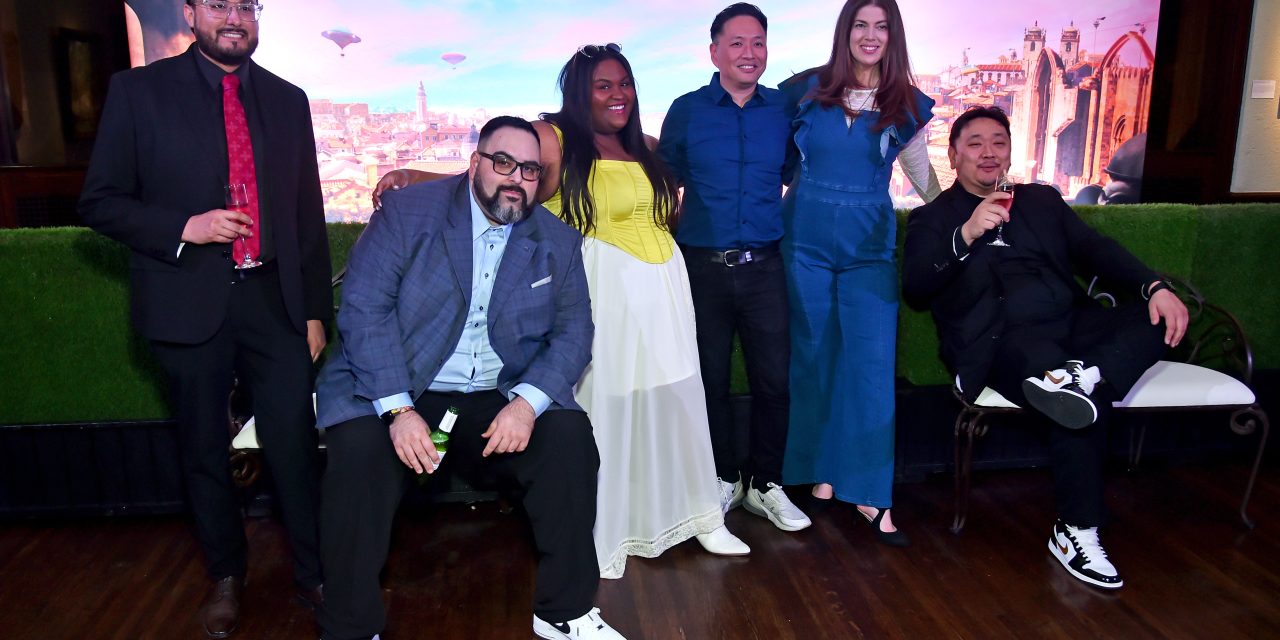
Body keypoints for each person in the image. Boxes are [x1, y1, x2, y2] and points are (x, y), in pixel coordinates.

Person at [374, 47, 750, 579]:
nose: (618, 95)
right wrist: (414, 176)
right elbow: (490, 174)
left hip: (665, 288)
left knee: (676, 397)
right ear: (579, 92)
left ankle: (699, 515)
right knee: (608, 407)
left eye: (625, 83)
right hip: (603, 288)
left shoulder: (644, 145)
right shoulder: (553, 138)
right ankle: (605, 527)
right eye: (603, 85)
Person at [314, 117, 624, 640]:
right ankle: (351, 626)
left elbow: (575, 333)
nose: (516, 178)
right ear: (476, 162)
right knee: (359, 453)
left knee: (568, 439)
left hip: (496, 394)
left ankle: (565, 612)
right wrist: (398, 410)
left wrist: (526, 405)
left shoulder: (557, 241)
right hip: (403, 383)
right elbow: (365, 311)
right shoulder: (408, 215)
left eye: (529, 169)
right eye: (503, 162)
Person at [78, 1, 330, 636]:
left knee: (296, 444)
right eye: (218, 3)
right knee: (203, 448)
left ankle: (314, 573)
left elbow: (306, 213)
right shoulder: (137, 93)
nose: (234, 16)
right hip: (186, 299)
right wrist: (183, 228)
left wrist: (315, 312)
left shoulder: (288, 99)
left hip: (274, 302)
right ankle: (225, 575)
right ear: (190, 13)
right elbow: (99, 201)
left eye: (246, 5)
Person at [902, 106, 1188, 589]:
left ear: (1009, 151)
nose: (989, 152)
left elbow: (1094, 248)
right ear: (953, 156)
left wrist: (1154, 285)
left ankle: (1083, 374)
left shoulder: (1040, 200)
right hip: (1000, 341)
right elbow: (915, 286)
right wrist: (966, 234)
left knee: (1159, 315)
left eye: (998, 142)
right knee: (1073, 404)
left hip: (1072, 325)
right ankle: (1077, 530)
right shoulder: (934, 218)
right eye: (975, 143)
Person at [777, 0, 939, 546]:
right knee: (813, 358)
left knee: (871, 366)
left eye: (882, 27)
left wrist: (960, 216)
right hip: (803, 243)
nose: (871, 35)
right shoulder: (804, 91)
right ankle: (821, 474)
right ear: (845, 32)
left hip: (869, 248)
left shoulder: (907, 103)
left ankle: (871, 493)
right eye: (861, 25)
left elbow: (923, 178)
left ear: (894, 36)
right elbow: (774, 162)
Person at [656, 3, 810, 533]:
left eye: (758, 43)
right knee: (709, 382)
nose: (750, 53)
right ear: (715, 52)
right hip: (701, 269)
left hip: (766, 267)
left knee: (775, 381)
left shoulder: (783, 110)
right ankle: (721, 479)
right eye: (738, 43)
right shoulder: (687, 110)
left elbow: (791, 171)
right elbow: (663, 181)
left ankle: (766, 484)